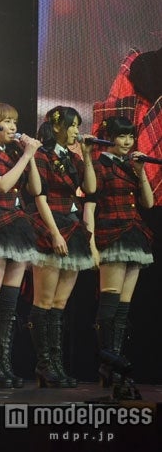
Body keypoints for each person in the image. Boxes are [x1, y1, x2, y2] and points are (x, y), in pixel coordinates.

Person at [0, 102, 42, 388]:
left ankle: (5, 362)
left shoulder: (14, 152)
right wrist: (26, 156)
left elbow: (35, 189)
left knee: (10, 303)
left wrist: (31, 156)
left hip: (17, 225)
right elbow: (1, 184)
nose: (13, 127)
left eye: (15, 121)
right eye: (7, 121)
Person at [84, 116, 153, 398]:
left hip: (135, 234)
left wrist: (141, 171)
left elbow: (148, 202)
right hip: (111, 234)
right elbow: (90, 200)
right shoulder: (100, 164)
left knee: (124, 308)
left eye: (130, 136)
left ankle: (116, 364)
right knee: (109, 304)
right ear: (109, 137)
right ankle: (107, 362)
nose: (127, 142)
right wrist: (92, 246)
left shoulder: (131, 166)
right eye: (121, 136)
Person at [28, 106, 96, 388]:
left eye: (78, 125)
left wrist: (87, 155)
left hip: (73, 225)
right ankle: (43, 364)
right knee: (44, 301)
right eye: (72, 125)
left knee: (60, 304)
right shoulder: (42, 155)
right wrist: (54, 234)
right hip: (50, 226)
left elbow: (91, 188)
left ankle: (56, 364)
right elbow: (39, 197)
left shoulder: (73, 157)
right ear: (57, 126)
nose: (76, 131)